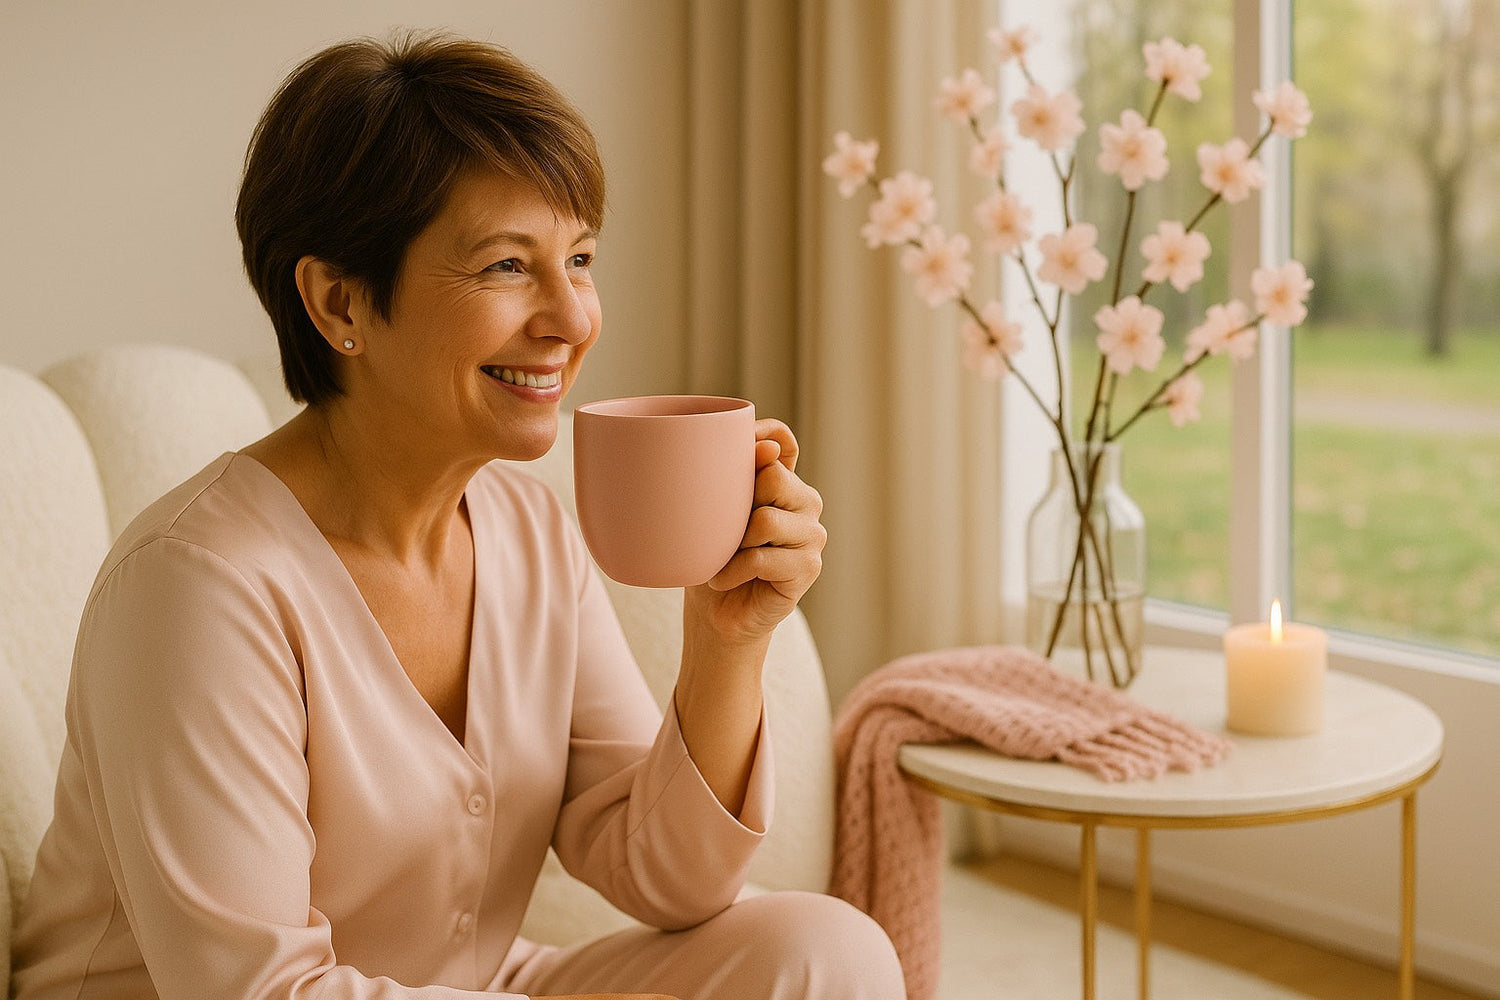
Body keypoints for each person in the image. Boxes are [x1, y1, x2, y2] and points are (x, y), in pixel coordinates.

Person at [9, 32, 904, 1000]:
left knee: (826, 951)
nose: (571, 316)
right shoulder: (196, 585)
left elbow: (669, 878)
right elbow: (258, 992)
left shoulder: (530, 535)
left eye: (580, 258)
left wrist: (731, 637)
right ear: (340, 299)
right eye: (508, 266)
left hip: (459, 986)